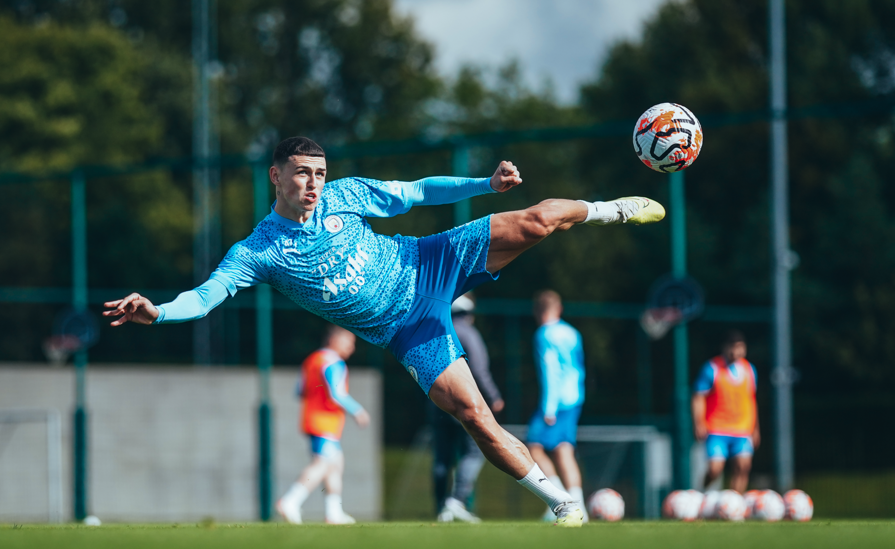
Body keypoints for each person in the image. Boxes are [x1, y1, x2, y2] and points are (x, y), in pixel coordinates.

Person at [103, 136, 665, 527]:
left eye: (320, 173)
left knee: (537, 220)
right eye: (302, 173)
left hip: (429, 261)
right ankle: (565, 504)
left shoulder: (344, 196)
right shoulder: (257, 252)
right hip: (408, 329)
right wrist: (156, 311)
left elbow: (416, 191)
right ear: (276, 176)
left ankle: (611, 209)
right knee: (474, 417)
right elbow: (204, 299)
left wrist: (485, 183)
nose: (314, 183)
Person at [276, 325, 369, 524]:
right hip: (325, 422)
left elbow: (299, 390)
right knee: (323, 463)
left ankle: (333, 513)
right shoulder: (334, 363)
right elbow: (337, 394)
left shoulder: (311, 360)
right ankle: (291, 500)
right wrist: (358, 411)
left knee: (335, 464)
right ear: (334, 340)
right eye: (349, 342)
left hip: (312, 418)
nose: (351, 348)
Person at [429, 292, 504, 523]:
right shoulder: (469, 334)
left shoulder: (435, 334)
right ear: (469, 313)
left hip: (436, 406)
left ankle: (442, 507)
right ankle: (457, 501)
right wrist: (494, 397)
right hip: (464, 405)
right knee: (473, 452)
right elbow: (480, 370)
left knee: (442, 458)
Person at [526, 289, 588, 523]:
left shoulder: (544, 334)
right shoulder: (572, 332)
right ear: (558, 309)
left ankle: (560, 499)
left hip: (556, 401)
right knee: (564, 449)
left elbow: (551, 371)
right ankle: (578, 503)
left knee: (533, 446)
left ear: (537, 311)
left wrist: (549, 407)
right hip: (575, 398)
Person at [692, 330, 760, 493]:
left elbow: (751, 399)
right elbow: (698, 396)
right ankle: (701, 494)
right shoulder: (712, 368)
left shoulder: (749, 370)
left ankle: (734, 505)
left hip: (742, 429)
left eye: (740, 347)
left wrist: (756, 428)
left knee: (743, 467)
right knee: (715, 469)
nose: (736, 352)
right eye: (733, 347)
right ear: (725, 347)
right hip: (717, 428)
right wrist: (699, 422)